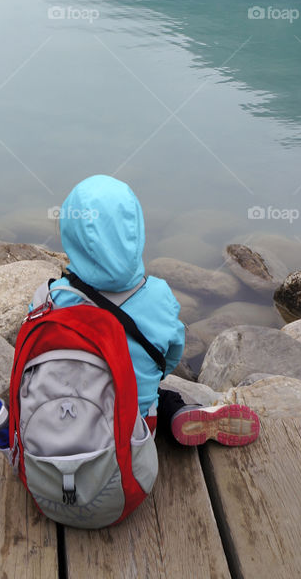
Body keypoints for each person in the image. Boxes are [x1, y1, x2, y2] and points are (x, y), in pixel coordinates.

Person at [37, 174, 260, 447]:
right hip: (132, 435)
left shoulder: (49, 298)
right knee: (157, 393)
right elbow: (169, 359)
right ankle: (180, 411)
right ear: (136, 231)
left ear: (69, 232)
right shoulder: (159, 297)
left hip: (61, 424)